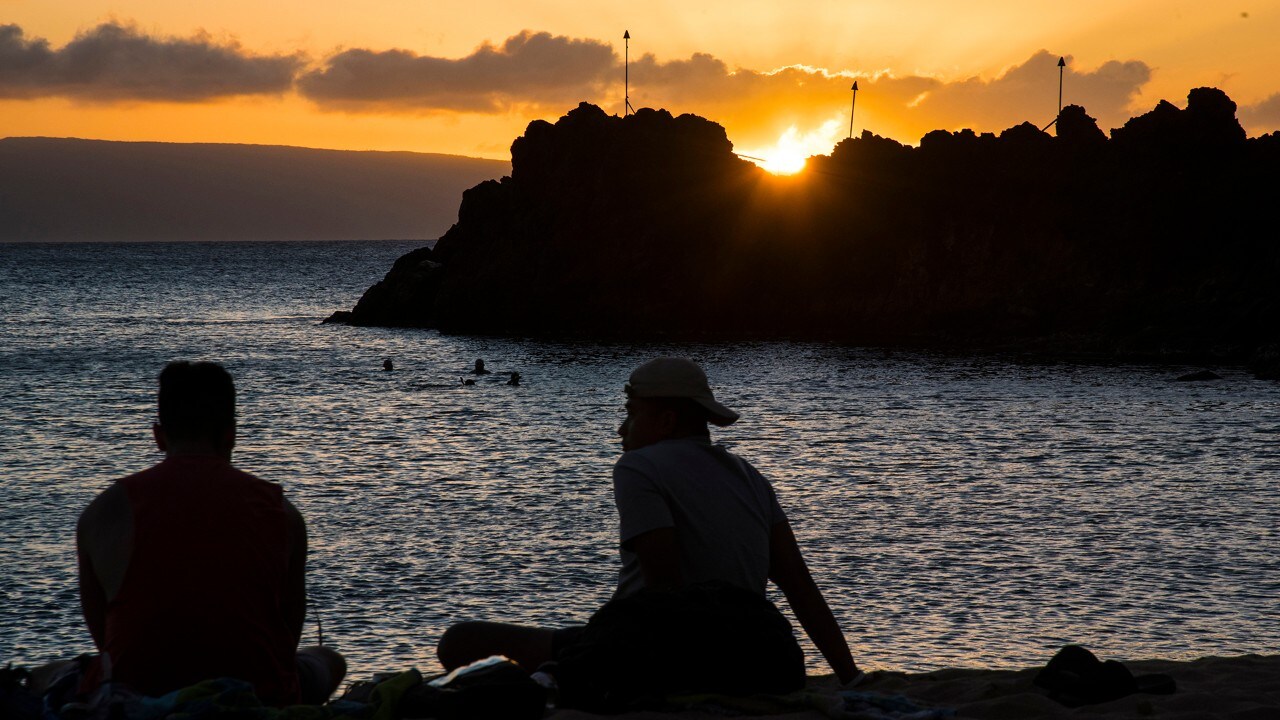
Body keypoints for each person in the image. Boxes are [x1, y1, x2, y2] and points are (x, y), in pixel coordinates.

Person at [437, 357, 860, 686]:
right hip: (758, 654)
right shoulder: (749, 475)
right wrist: (850, 676)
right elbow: (800, 587)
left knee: (460, 641)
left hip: (665, 649)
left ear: (665, 421)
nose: (621, 428)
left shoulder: (640, 467)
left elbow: (664, 594)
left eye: (631, 412)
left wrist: (591, 662)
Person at [74, 361, 345, 705]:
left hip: (138, 694)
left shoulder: (100, 514)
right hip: (260, 695)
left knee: (51, 673)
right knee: (329, 660)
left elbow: (104, 638)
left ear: (158, 435)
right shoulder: (283, 513)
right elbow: (287, 638)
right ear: (231, 433)